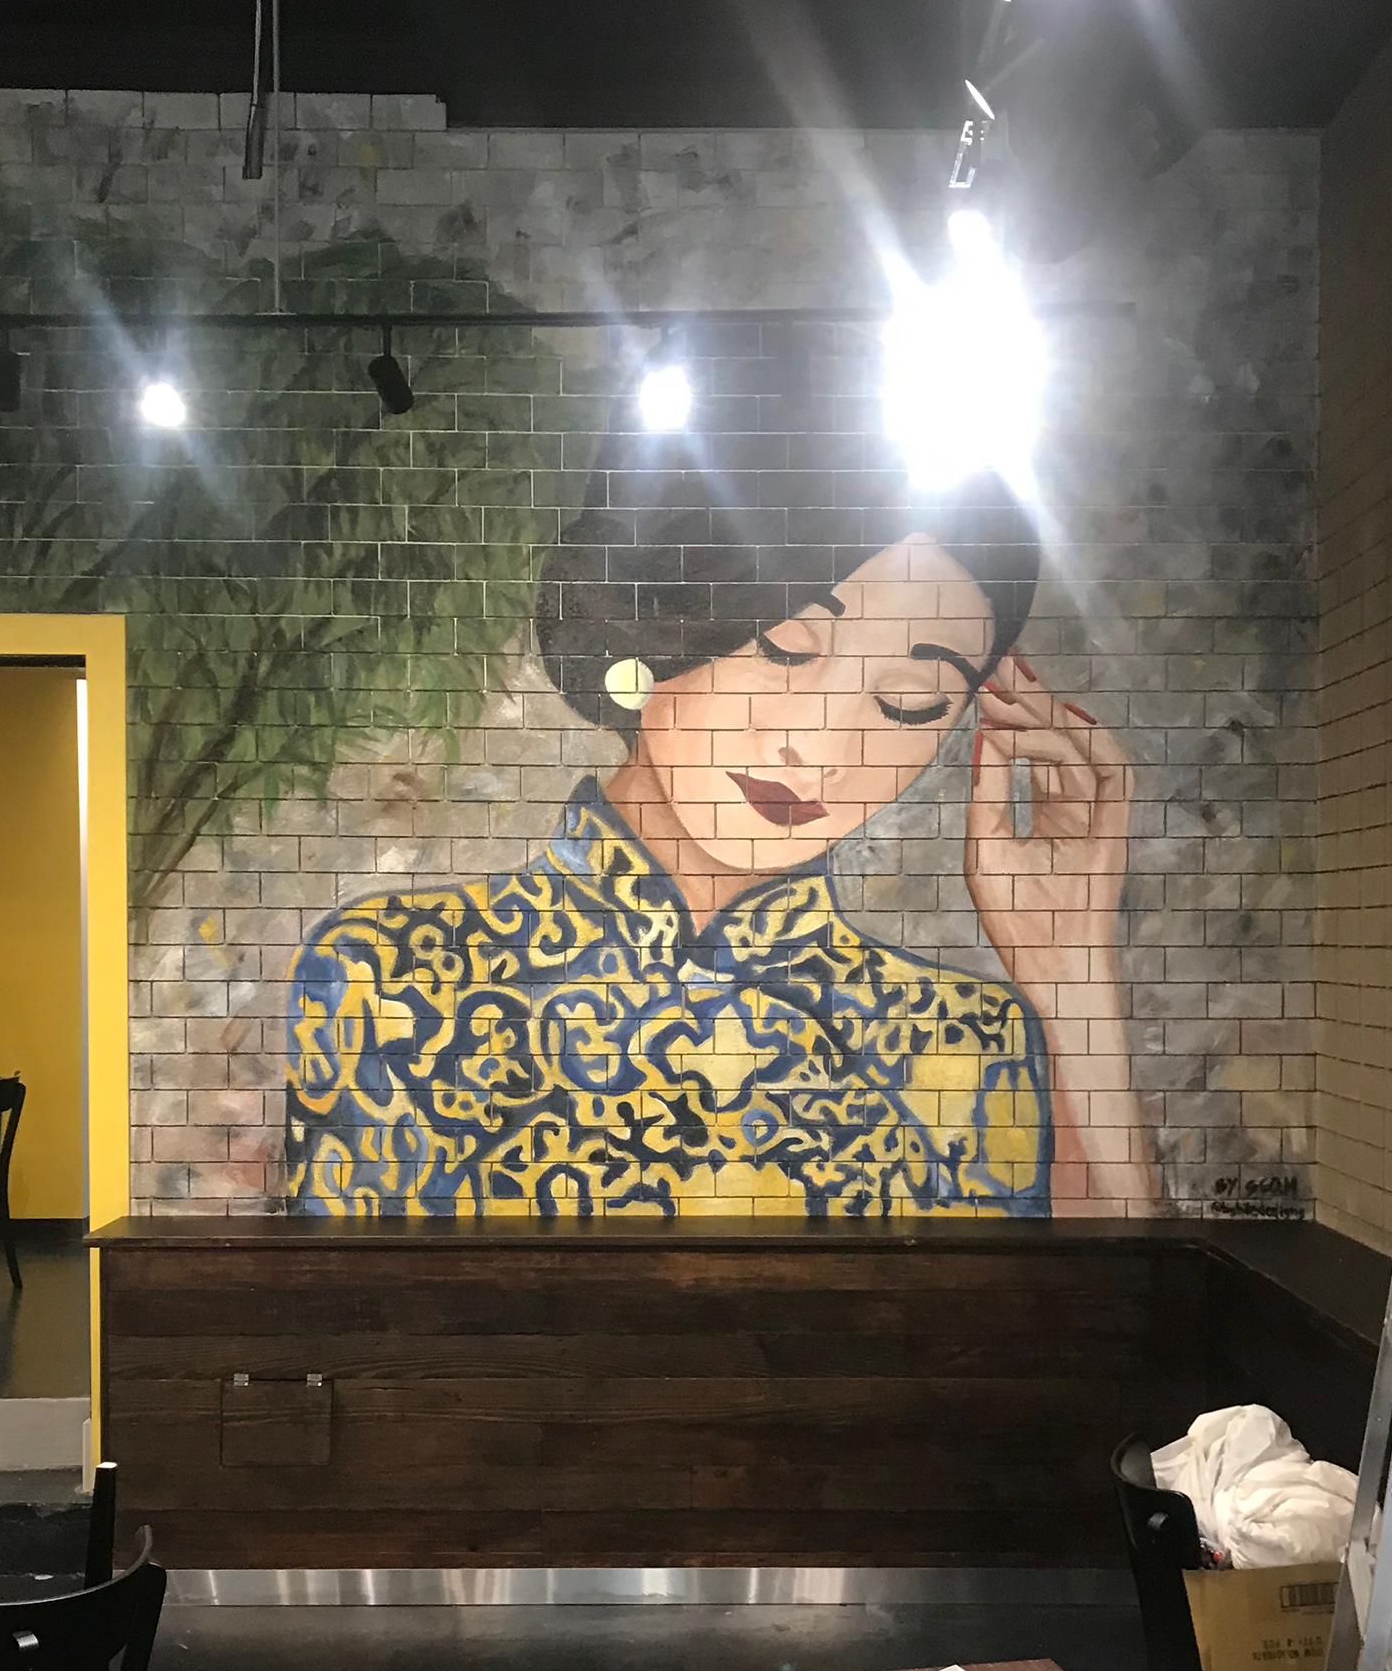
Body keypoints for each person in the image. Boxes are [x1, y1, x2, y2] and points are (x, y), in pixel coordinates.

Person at [286, 465, 1162, 1219]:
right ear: (652, 621)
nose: (819, 745)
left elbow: (1112, 1323)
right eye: (785, 648)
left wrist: (1068, 971)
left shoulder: (963, 1042)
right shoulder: (395, 974)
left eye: (910, 701)